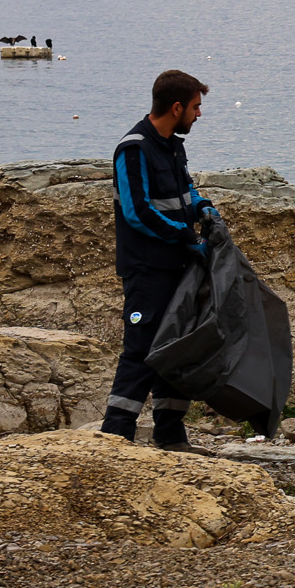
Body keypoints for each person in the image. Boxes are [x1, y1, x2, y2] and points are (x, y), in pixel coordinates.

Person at [99, 70, 218, 451]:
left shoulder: (172, 145)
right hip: (148, 269)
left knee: (177, 347)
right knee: (140, 349)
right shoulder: (133, 149)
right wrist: (186, 237)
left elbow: (185, 190)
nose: (199, 115)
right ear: (177, 106)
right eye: (196, 107)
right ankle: (116, 435)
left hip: (180, 266)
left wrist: (203, 209)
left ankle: (170, 435)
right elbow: (137, 212)